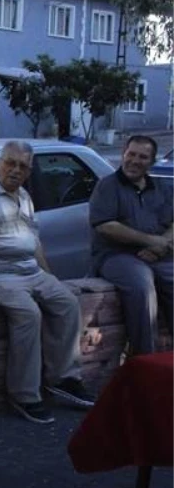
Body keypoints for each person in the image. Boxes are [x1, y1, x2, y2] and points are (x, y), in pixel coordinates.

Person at [0, 141, 95, 423]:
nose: (15, 170)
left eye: (23, 166)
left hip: (30, 271)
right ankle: (24, 394)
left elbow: (34, 242)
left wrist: (49, 276)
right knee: (29, 314)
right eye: (10, 163)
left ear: (29, 171)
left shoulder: (24, 196)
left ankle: (63, 377)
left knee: (66, 302)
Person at [89, 134, 174, 355]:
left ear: (152, 162)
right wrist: (150, 241)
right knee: (142, 289)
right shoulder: (107, 186)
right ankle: (145, 359)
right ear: (123, 154)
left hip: (159, 255)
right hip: (117, 256)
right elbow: (105, 226)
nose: (135, 160)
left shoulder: (161, 188)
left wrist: (161, 245)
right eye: (131, 154)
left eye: (143, 157)